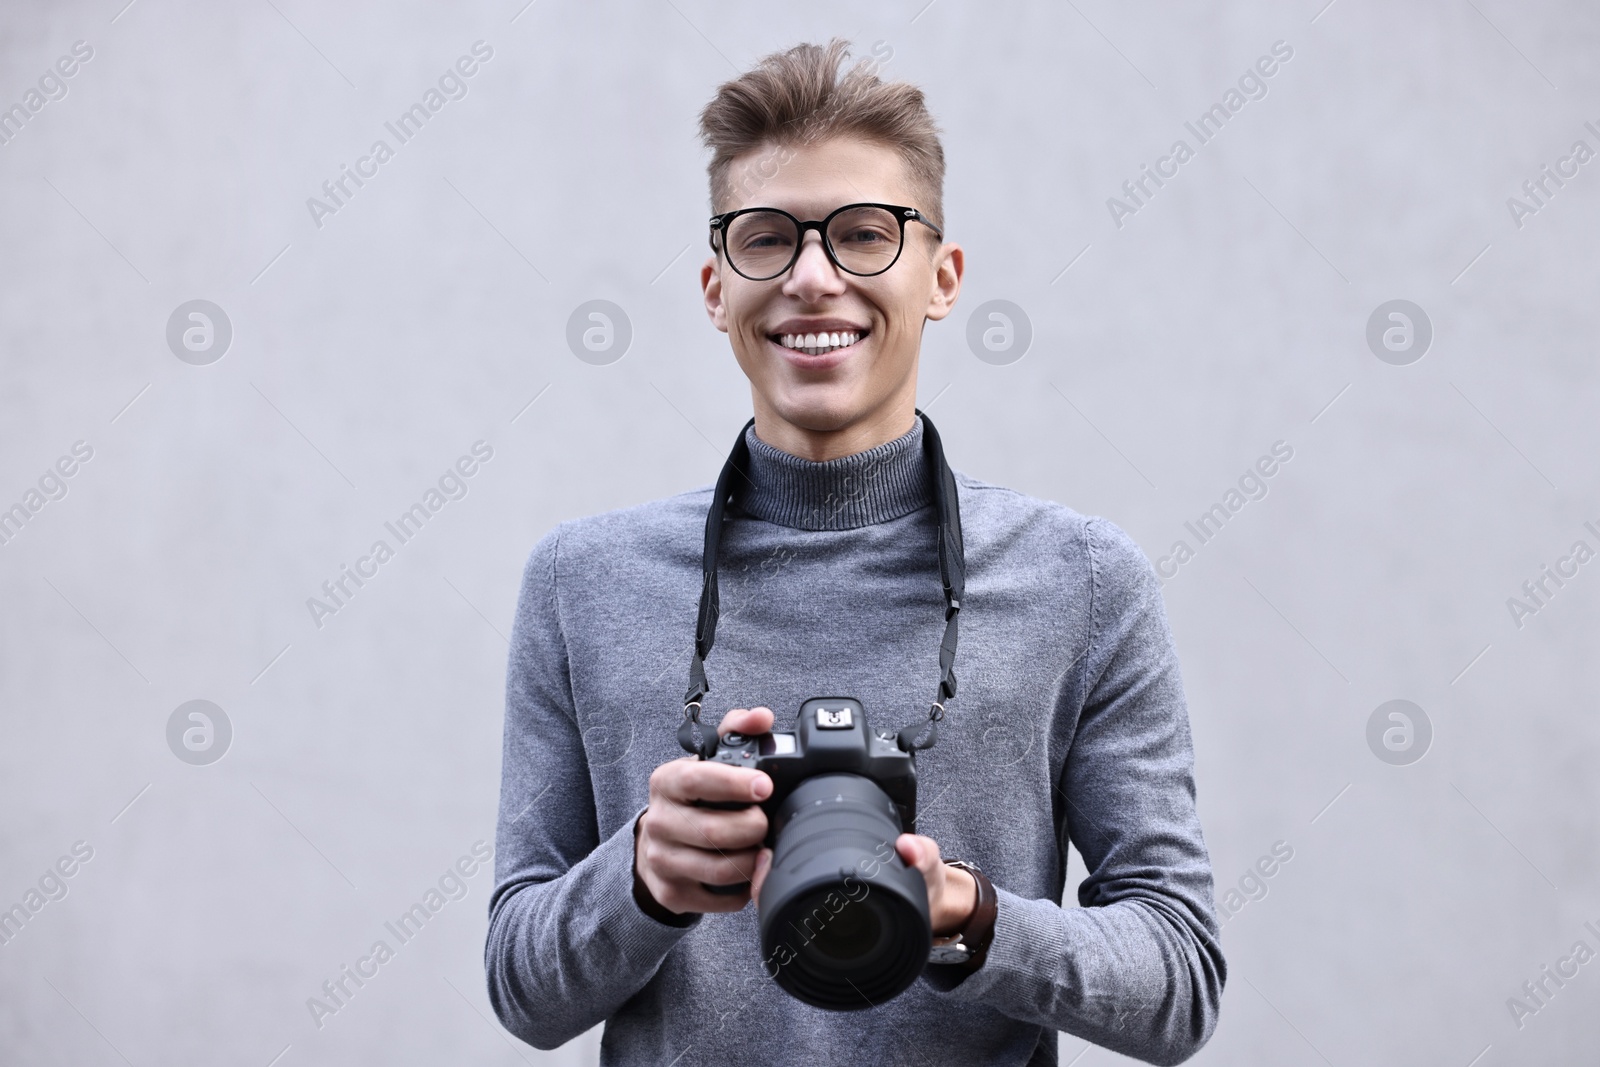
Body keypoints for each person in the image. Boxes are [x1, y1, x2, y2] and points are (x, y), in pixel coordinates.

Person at [485, 38, 1225, 1066]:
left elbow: (1179, 980)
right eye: (766, 239)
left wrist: (969, 914)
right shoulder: (582, 582)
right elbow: (522, 989)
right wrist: (643, 878)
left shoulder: (1083, 582)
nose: (813, 277)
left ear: (942, 276)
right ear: (714, 288)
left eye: (865, 234)